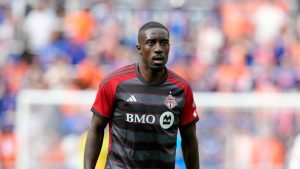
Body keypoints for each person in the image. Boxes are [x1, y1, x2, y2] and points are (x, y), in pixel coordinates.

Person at [84, 21, 200, 169]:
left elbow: (189, 139)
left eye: (164, 43)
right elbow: (96, 128)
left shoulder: (181, 89)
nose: (158, 49)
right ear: (139, 49)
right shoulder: (114, 83)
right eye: (151, 43)